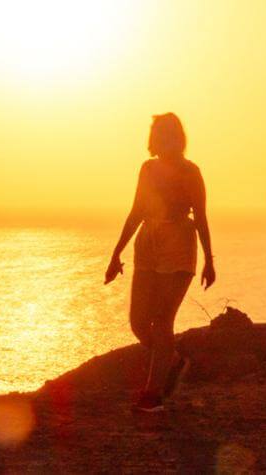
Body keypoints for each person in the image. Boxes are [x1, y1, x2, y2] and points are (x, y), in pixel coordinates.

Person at [105, 112, 215, 413]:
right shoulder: (148, 169)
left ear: (177, 138)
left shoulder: (191, 172)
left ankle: (153, 394)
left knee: (164, 319)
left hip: (178, 242)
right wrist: (116, 253)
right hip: (148, 242)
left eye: (168, 134)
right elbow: (136, 211)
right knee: (139, 322)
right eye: (158, 134)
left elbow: (202, 217)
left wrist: (209, 259)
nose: (162, 140)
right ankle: (174, 361)